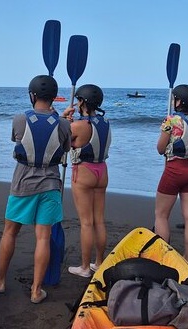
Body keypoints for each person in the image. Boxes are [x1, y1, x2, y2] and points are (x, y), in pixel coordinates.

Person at [0, 75, 71, 304]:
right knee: (43, 237)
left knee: (10, 231)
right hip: (51, 185)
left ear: (32, 95)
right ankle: (36, 290)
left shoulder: (20, 118)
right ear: (54, 97)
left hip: (23, 182)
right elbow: (65, 146)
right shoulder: (63, 124)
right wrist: (61, 119)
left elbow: (18, 140)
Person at [62, 84, 112, 277]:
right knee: (99, 220)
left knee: (86, 222)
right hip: (102, 171)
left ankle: (84, 267)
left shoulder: (77, 126)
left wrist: (64, 119)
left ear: (81, 101)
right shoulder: (106, 122)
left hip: (83, 172)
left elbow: (61, 142)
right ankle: (99, 262)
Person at [153, 84, 188, 262]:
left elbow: (160, 149)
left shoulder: (172, 119)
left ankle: (162, 255)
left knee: (161, 215)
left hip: (175, 169)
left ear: (179, 101)